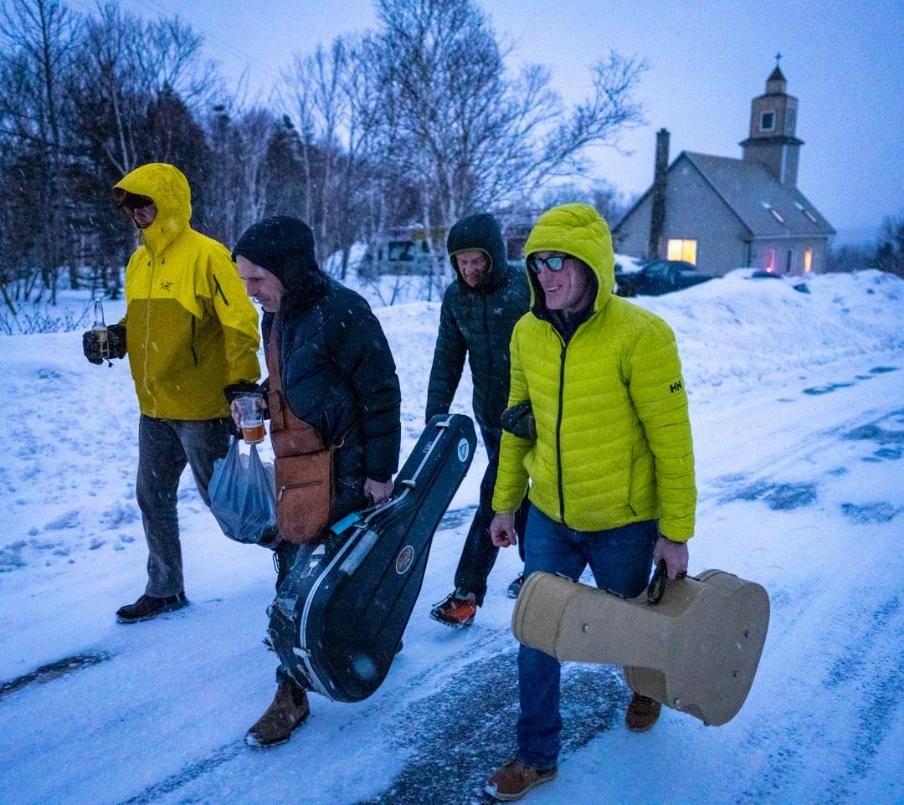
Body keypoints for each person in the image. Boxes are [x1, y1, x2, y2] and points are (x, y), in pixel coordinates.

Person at [484, 203, 697, 801]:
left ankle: (645, 686)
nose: (547, 274)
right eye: (537, 263)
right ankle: (536, 755)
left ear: (592, 266)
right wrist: (504, 505)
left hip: (623, 522)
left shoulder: (642, 335)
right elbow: (517, 424)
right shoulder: (528, 331)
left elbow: (672, 443)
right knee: (536, 631)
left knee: (636, 624)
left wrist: (674, 532)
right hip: (550, 515)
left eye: (560, 262)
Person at [231, 215, 401, 747]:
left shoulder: (345, 313)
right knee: (300, 570)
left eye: (256, 279)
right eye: (243, 281)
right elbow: (291, 377)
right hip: (296, 471)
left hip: (345, 472)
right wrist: (257, 398)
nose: (250, 291)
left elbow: (382, 396)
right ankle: (349, 650)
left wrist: (379, 474)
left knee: (311, 578)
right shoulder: (274, 318)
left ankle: (291, 694)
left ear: (287, 270)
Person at [82, 163, 260, 624]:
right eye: (131, 206)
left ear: (169, 203)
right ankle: (165, 589)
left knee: (229, 506)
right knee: (152, 497)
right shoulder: (140, 261)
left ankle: (297, 551)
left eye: (145, 203)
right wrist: (117, 338)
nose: (137, 213)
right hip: (155, 406)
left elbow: (240, 321)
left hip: (202, 407)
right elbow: (143, 323)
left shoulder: (208, 255)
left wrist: (243, 383)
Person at [426, 213, 531, 628]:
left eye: (477, 261)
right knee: (516, 492)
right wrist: (437, 413)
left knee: (496, 494)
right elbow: (447, 358)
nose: (469, 270)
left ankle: (467, 592)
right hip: (490, 414)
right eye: (462, 262)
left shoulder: (525, 288)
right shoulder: (456, 298)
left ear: (495, 256)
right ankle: (538, 571)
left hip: (531, 416)